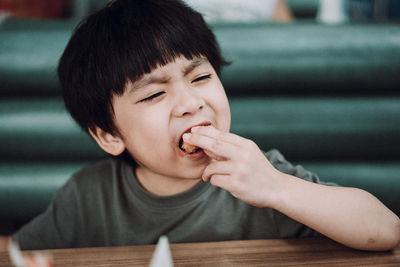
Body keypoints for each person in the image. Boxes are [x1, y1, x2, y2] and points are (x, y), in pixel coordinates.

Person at [1, 0, 399, 253]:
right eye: (153, 95)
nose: (191, 103)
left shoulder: (261, 175)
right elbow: (19, 252)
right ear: (109, 134)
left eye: (200, 78)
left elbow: (386, 231)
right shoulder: (87, 198)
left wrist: (277, 188)